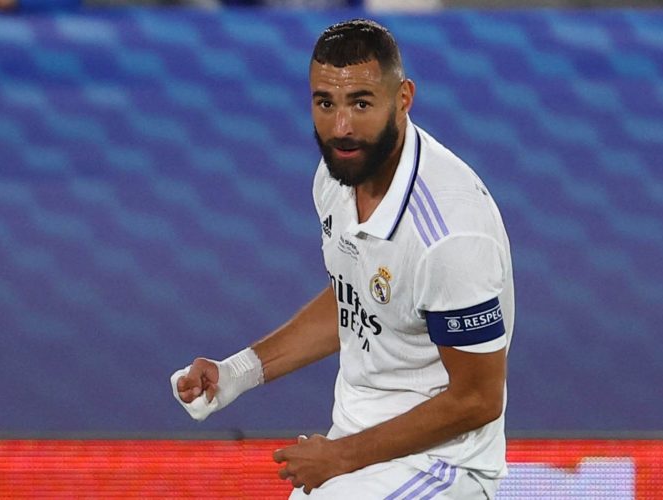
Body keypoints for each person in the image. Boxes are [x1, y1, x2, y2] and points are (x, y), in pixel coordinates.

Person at [172, 18, 514, 499]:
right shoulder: (336, 177)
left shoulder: (450, 234)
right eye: (325, 103)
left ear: (404, 97)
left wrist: (340, 456)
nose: (341, 126)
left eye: (361, 103)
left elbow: (478, 399)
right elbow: (356, 297)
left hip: (443, 469)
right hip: (359, 449)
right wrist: (236, 374)